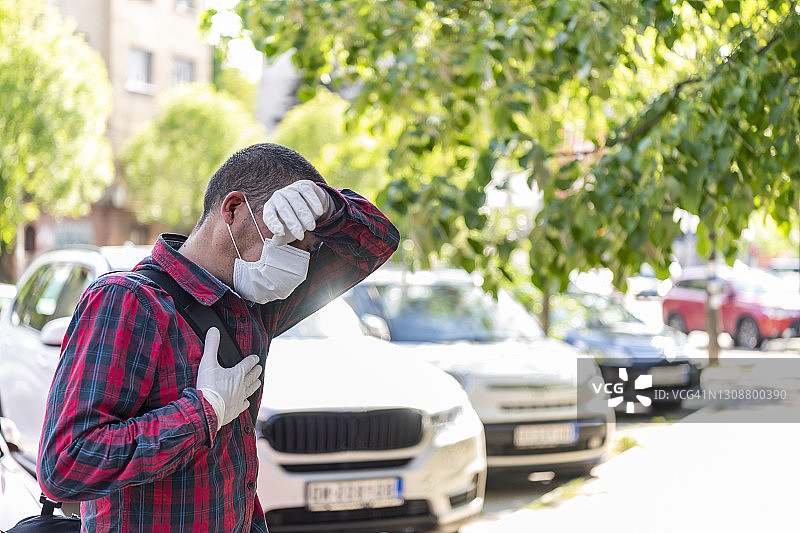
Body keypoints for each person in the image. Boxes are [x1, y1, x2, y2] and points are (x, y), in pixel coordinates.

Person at [37, 143, 400, 532]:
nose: (300, 259)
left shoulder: (255, 305)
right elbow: (66, 465)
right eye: (291, 238)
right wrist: (202, 412)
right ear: (232, 210)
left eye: (309, 248)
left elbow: (375, 242)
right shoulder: (129, 301)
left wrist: (329, 207)